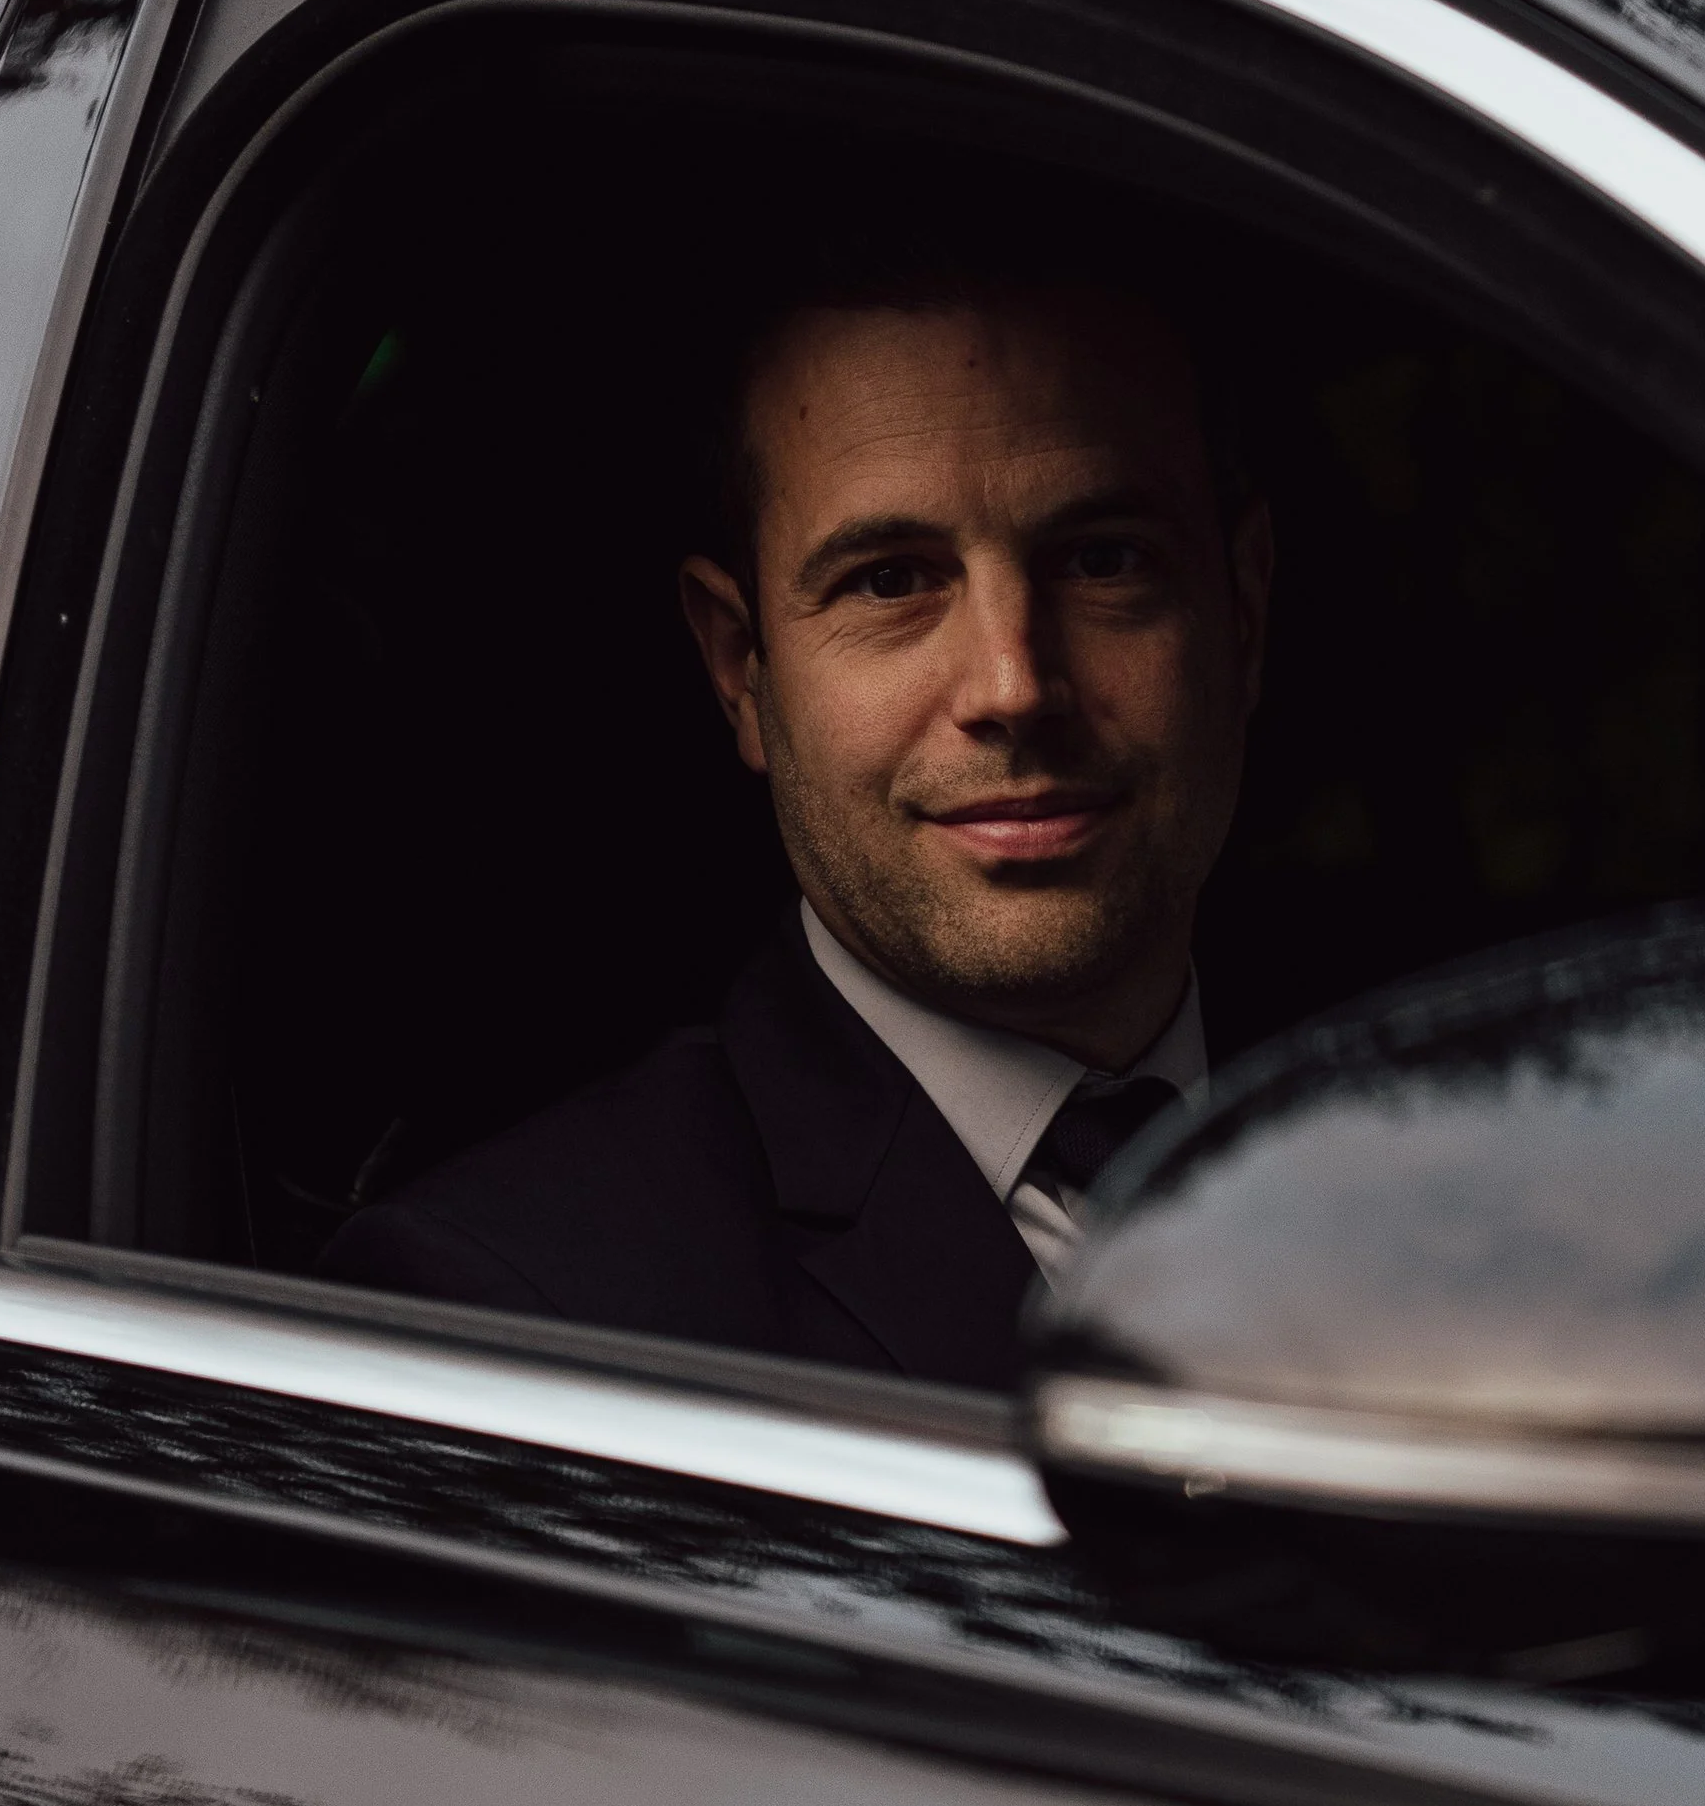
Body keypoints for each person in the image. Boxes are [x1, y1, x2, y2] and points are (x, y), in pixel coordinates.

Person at [323, 215, 1272, 1391]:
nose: (1015, 685)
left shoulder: (1476, 1118)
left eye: (1102, 561)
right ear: (739, 668)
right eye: (890, 581)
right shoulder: (512, 1316)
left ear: (1241, 612)